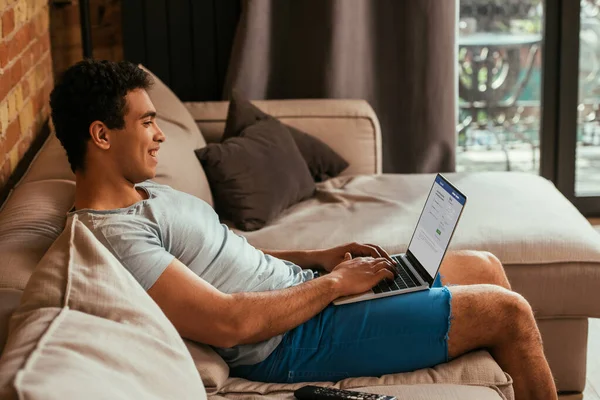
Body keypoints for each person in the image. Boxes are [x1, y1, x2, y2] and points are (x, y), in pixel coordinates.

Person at [50, 60, 557, 400]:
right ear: (101, 135)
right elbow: (229, 324)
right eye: (146, 123)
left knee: (483, 265)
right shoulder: (114, 238)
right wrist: (336, 284)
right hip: (291, 340)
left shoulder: (146, 192)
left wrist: (319, 257)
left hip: (304, 295)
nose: (160, 135)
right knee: (508, 312)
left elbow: (233, 255)